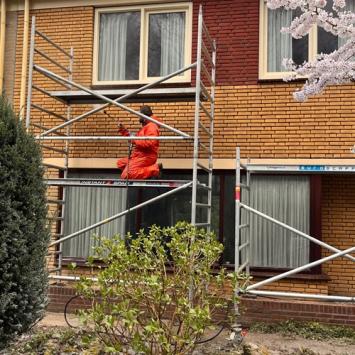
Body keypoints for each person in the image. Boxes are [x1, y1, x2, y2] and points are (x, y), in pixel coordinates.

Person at [116, 105, 162, 179]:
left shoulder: (152, 126)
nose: (138, 117)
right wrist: (123, 130)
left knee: (127, 174)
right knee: (121, 163)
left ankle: (155, 169)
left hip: (146, 156)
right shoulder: (146, 126)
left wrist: (134, 139)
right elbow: (135, 139)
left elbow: (150, 142)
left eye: (139, 115)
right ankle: (141, 174)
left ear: (144, 116)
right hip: (139, 155)